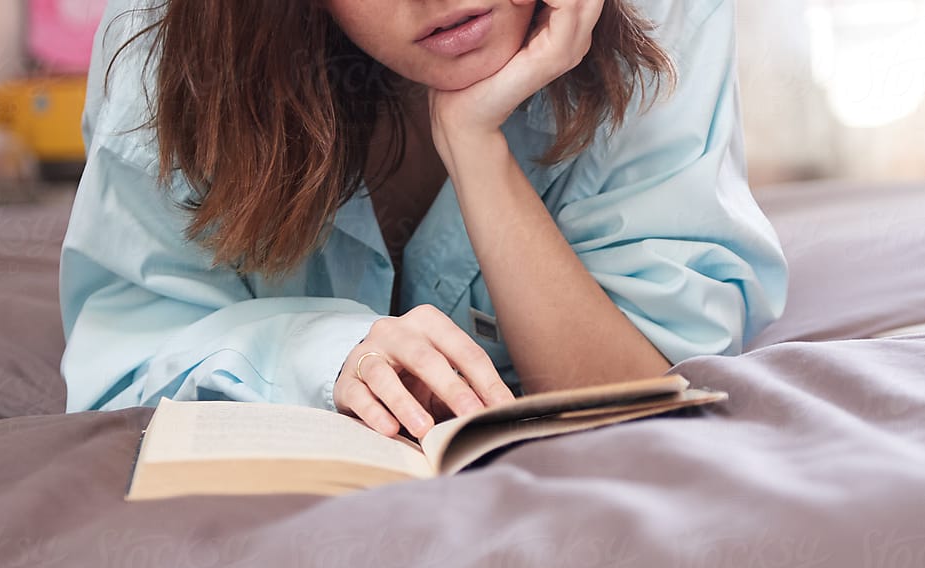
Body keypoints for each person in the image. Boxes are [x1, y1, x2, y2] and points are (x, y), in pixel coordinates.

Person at [59, 0, 788, 440]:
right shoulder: (173, 37)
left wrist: (476, 148)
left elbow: (631, 398)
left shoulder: (665, 14)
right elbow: (124, 359)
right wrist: (326, 355)